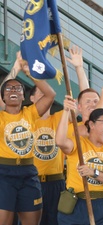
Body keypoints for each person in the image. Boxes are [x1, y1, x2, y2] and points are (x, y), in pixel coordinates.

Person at [29, 45, 90, 225]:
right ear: (31, 99)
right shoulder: (25, 117)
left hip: (57, 183)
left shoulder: (60, 118)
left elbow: (86, 102)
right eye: (40, 93)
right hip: (31, 181)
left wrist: (79, 69)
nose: (44, 96)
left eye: (46, 94)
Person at [0, 52, 56, 225]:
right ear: (2, 97)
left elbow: (50, 94)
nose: (13, 90)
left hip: (28, 173)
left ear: (24, 96)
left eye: (18, 88)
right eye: (8, 89)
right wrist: (15, 69)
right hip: (3, 173)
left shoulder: (30, 113)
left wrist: (29, 72)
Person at [56, 103, 103, 224]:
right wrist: (66, 111)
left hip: (102, 203)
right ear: (92, 124)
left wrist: (94, 172)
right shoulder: (78, 143)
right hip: (75, 203)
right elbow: (60, 142)